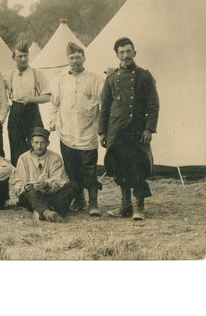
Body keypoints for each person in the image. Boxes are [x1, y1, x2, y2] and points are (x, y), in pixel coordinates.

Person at [99, 37, 159, 221]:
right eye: (121, 52)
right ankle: (125, 206)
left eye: (128, 51)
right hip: (116, 130)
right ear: (117, 55)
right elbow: (105, 106)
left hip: (137, 130)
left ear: (134, 53)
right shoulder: (111, 78)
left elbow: (153, 105)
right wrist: (102, 131)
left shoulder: (144, 75)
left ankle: (139, 207)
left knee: (138, 166)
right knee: (120, 167)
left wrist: (149, 129)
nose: (125, 55)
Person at [48, 42, 105, 216]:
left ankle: (93, 202)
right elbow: (54, 103)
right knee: (72, 169)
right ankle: (79, 200)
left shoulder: (95, 80)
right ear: (67, 60)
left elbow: (104, 106)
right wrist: (52, 121)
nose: (74, 61)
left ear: (84, 58)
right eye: (71, 58)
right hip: (67, 132)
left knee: (89, 170)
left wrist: (101, 128)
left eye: (78, 57)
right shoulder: (61, 80)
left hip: (87, 133)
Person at [11, 127, 78, 222]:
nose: (39, 146)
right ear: (31, 143)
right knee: (32, 191)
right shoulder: (23, 158)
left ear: (48, 143)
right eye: (36, 143)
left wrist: (47, 184)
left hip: (50, 195)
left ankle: (40, 211)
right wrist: (24, 187)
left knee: (73, 186)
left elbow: (60, 180)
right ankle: (48, 212)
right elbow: (17, 184)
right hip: (31, 196)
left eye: (42, 143)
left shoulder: (55, 158)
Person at [4, 40, 52, 167]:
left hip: (32, 111)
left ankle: (38, 173)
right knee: (15, 145)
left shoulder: (37, 73)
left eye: (26, 55)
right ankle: (19, 176)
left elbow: (48, 97)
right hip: (15, 111)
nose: (24, 59)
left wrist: (31, 99)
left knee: (37, 144)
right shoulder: (9, 75)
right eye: (20, 56)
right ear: (14, 57)